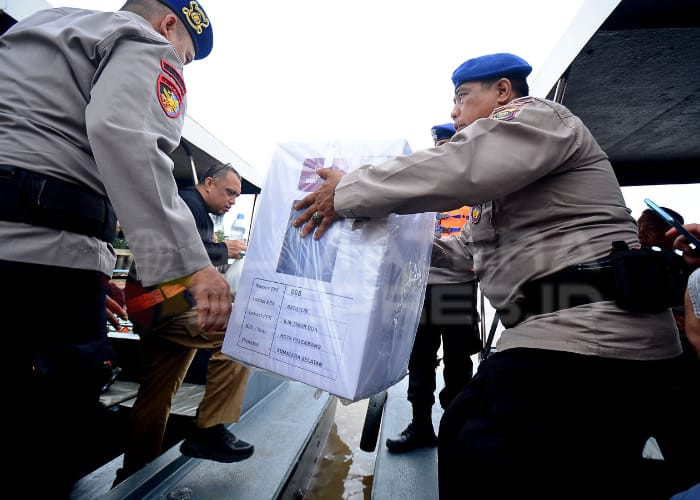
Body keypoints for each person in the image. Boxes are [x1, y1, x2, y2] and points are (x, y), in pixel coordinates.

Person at [291, 52, 694, 497]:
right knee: (473, 429)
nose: (453, 111)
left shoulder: (536, 116)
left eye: (462, 97)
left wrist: (349, 190)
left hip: (588, 339)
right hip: (556, 334)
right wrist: (385, 244)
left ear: (502, 91)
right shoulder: (502, 184)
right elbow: (463, 250)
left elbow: (459, 166)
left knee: (481, 444)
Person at [0, 1, 229, 496]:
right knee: (55, 413)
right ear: (170, 25)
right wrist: (195, 268)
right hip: (44, 256)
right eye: (186, 57)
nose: (180, 63)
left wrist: (93, 270)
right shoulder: (145, 42)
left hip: (33, 242)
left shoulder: (40, 27)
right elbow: (129, 137)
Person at [118, 162, 253, 484]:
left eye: (237, 195)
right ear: (208, 183)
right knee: (239, 335)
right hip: (165, 303)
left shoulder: (193, 209)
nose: (233, 200)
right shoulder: (185, 205)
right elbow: (170, 250)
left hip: (151, 305)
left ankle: (134, 471)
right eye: (229, 192)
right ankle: (209, 429)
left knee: (156, 394)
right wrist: (224, 250)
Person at [385, 123, 481, 453]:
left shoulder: (477, 187)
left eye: (452, 143)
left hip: (457, 289)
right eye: (442, 144)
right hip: (420, 290)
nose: (446, 150)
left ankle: (456, 432)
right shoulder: (420, 191)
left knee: (458, 364)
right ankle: (421, 427)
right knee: (420, 360)